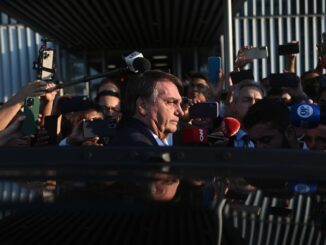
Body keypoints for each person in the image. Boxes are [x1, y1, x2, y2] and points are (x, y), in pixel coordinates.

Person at [110, 70, 184, 146]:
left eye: (180, 103)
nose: (181, 112)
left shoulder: (180, 137)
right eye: (171, 102)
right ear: (142, 106)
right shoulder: (135, 145)